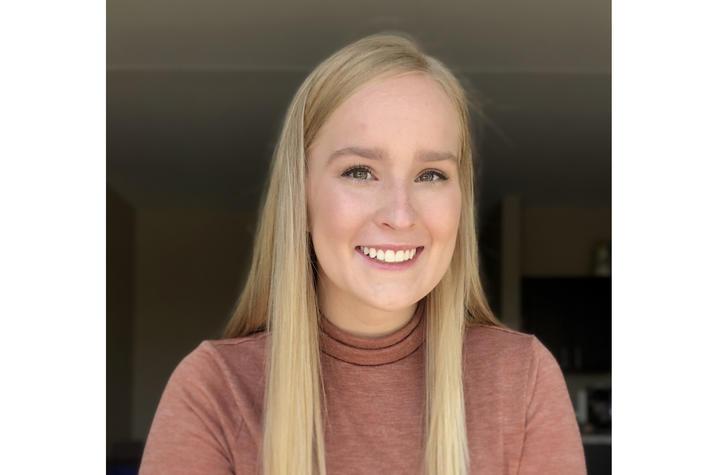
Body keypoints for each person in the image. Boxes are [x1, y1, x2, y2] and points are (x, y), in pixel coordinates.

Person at [138, 32, 587, 475]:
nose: (400, 213)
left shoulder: (520, 376)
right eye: (360, 171)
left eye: (431, 174)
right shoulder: (216, 389)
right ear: (302, 199)